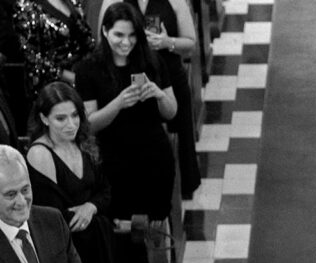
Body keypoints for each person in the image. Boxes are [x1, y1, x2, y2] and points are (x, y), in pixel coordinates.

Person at [74, 2, 177, 223]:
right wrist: (118, 102)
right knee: (122, 227)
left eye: (132, 35)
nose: (126, 42)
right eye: (119, 35)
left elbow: (171, 112)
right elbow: (89, 123)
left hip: (153, 155)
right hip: (114, 158)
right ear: (104, 31)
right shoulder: (88, 69)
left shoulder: (151, 61)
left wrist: (159, 95)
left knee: (154, 220)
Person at [26, 81, 117, 263]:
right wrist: (92, 207)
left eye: (75, 115)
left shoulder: (82, 141)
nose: (71, 124)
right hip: (72, 254)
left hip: (98, 240)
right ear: (44, 119)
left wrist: (91, 207)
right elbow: (56, 217)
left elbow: (106, 191)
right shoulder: (40, 154)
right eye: (61, 119)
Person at [98, 0, 200, 199]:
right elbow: (101, 43)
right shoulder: (112, 2)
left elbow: (190, 44)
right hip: (128, 81)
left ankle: (180, 194)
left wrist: (167, 42)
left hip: (168, 77)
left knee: (177, 138)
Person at [12, 0, 93, 98]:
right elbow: (32, 58)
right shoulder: (26, 7)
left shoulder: (73, 2)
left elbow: (88, 39)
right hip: (51, 87)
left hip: (82, 76)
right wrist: (68, 76)